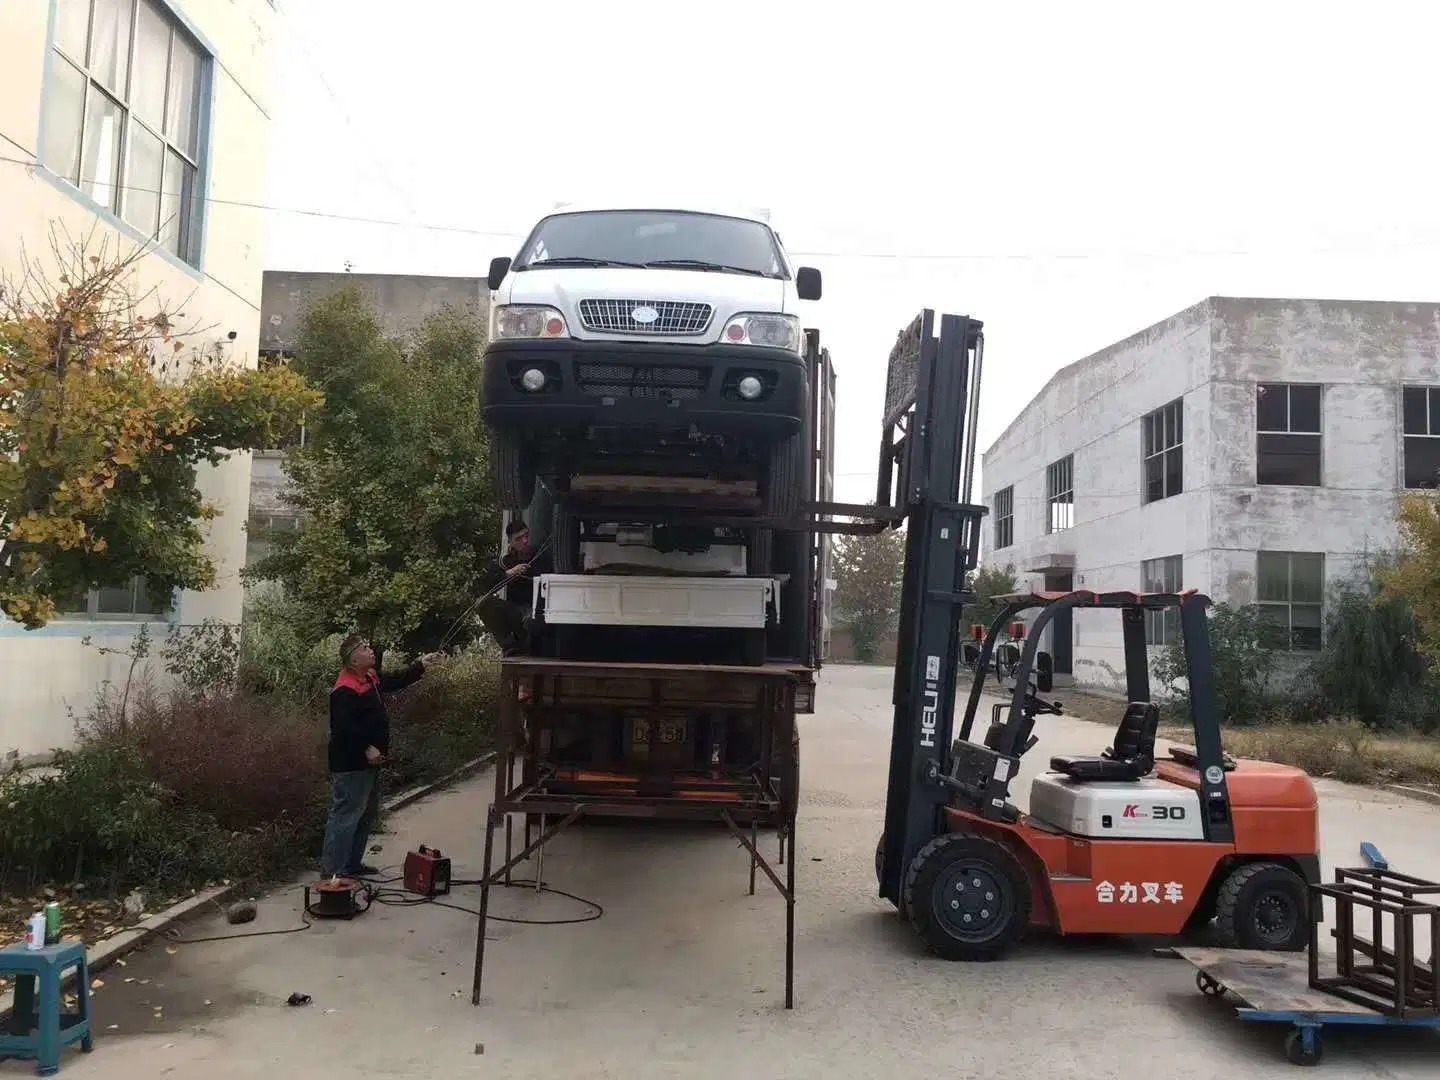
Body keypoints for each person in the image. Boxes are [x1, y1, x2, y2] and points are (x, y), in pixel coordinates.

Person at [321, 634, 446, 878]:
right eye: (364, 648)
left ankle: (351, 865)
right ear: (353, 660)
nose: (370, 651)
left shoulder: (370, 678)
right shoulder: (344, 690)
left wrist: (421, 664)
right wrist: (367, 747)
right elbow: (342, 729)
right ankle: (332, 875)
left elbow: (396, 680)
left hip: (370, 763)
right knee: (345, 817)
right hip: (351, 764)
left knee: (364, 815)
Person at [477, 519, 554, 656]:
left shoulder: (542, 555)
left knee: (533, 623)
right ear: (511, 543)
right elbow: (487, 586)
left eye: (526, 536)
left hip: (541, 611)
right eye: (518, 539)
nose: (524, 541)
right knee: (484, 603)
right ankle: (510, 646)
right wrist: (509, 573)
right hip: (517, 611)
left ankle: (533, 649)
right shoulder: (505, 562)